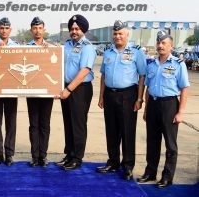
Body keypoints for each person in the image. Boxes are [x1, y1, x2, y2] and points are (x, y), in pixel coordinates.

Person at [137, 30, 190, 188]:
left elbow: (184, 89)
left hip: (169, 105)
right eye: (158, 43)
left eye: (164, 43)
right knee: (152, 141)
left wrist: (180, 112)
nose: (160, 45)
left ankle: (167, 176)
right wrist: (146, 109)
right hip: (153, 104)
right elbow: (147, 88)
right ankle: (150, 172)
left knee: (170, 144)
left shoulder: (178, 64)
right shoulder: (151, 64)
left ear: (171, 46)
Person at [96, 20, 146, 180]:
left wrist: (139, 98)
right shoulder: (108, 52)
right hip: (110, 95)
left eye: (120, 33)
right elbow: (103, 75)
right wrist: (101, 96)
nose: (117, 36)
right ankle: (113, 162)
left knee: (127, 131)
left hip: (128, 95)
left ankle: (128, 166)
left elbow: (142, 76)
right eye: (115, 33)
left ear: (127, 35)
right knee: (111, 130)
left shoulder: (137, 52)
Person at [56, 14, 96, 170]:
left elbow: (84, 71)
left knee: (78, 124)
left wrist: (68, 89)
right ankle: (69, 154)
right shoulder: (66, 45)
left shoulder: (87, 47)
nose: (74, 31)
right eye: (72, 28)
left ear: (83, 30)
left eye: (77, 28)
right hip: (66, 88)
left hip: (80, 89)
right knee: (68, 123)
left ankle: (77, 158)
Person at [0, 17, 19, 166]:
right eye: (1, 28)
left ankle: (9, 154)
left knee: (11, 123)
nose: (4, 31)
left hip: (11, 89)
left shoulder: (16, 46)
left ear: (10, 30)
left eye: (7, 28)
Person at [26, 17, 54, 167]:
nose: (37, 31)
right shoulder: (25, 48)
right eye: (35, 28)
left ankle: (43, 156)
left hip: (46, 91)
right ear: (31, 30)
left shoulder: (51, 48)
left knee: (45, 125)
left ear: (44, 29)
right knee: (33, 125)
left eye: (40, 28)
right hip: (31, 91)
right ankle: (34, 156)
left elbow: (54, 69)